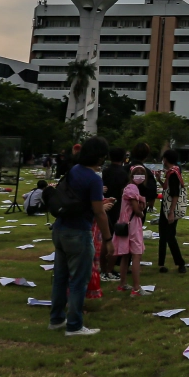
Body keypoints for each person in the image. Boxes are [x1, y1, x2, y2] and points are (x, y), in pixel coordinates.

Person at [49, 136, 113, 336]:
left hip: (60, 229)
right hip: (78, 232)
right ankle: (74, 325)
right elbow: (98, 212)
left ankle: (57, 319)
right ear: (100, 157)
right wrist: (108, 238)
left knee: (60, 277)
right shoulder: (94, 178)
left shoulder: (74, 171)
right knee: (78, 280)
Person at [111, 174, 147, 296]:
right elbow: (137, 210)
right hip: (132, 226)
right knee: (136, 255)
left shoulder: (127, 188)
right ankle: (136, 288)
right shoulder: (133, 188)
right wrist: (142, 212)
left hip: (124, 225)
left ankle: (122, 284)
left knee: (125, 255)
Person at [100, 147, 130, 282]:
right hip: (119, 208)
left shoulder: (104, 172)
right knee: (115, 240)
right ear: (124, 158)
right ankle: (110, 270)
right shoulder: (125, 174)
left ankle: (103, 269)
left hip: (105, 206)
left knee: (105, 240)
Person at [157, 150, 186, 273]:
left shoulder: (173, 173)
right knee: (164, 235)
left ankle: (180, 263)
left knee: (168, 235)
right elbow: (167, 188)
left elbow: (175, 194)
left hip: (169, 208)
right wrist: (159, 179)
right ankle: (161, 264)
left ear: (165, 159)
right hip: (166, 207)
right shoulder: (173, 171)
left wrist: (171, 212)